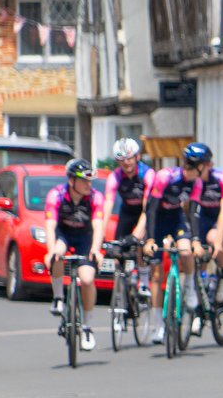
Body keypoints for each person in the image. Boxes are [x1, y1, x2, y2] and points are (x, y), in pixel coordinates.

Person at [43, 159, 106, 352]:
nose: (89, 185)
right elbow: (50, 225)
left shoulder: (95, 197)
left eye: (90, 181)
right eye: (84, 181)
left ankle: (86, 326)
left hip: (85, 239)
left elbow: (98, 225)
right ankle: (58, 297)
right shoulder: (57, 195)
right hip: (64, 235)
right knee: (57, 254)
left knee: (87, 279)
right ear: (71, 181)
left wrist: (96, 249)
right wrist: (50, 250)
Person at [143, 152, 202, 343]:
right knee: (157, 275)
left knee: (186, 251)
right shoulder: (165, 177)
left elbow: (192, 212)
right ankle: (158, 325)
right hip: (158, 220)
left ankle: (190, 287)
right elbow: (151, 209)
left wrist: (195, 239)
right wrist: (151, 239)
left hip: (176, 219)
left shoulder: (197, 183)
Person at [184, 142, 223, 305]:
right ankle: (201, 297)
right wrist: (194, 240)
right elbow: (192, 212)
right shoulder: (194, 182)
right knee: (198, 253)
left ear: (208, 165)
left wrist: (218, 239)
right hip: (206, 215)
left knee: (213, 237)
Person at [103, 138, 155, 296]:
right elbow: (107, 205)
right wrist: (101, 233)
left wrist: (137, 234)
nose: (126, 163)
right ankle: (121, 287)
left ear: (137, 157)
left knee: (139, 242)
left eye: (129, 158)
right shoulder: (115, 177)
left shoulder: (148, 174)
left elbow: (148, 208)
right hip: (127, 211)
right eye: (121, 160)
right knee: (118, 246)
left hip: (145, 211)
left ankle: (144, 282)